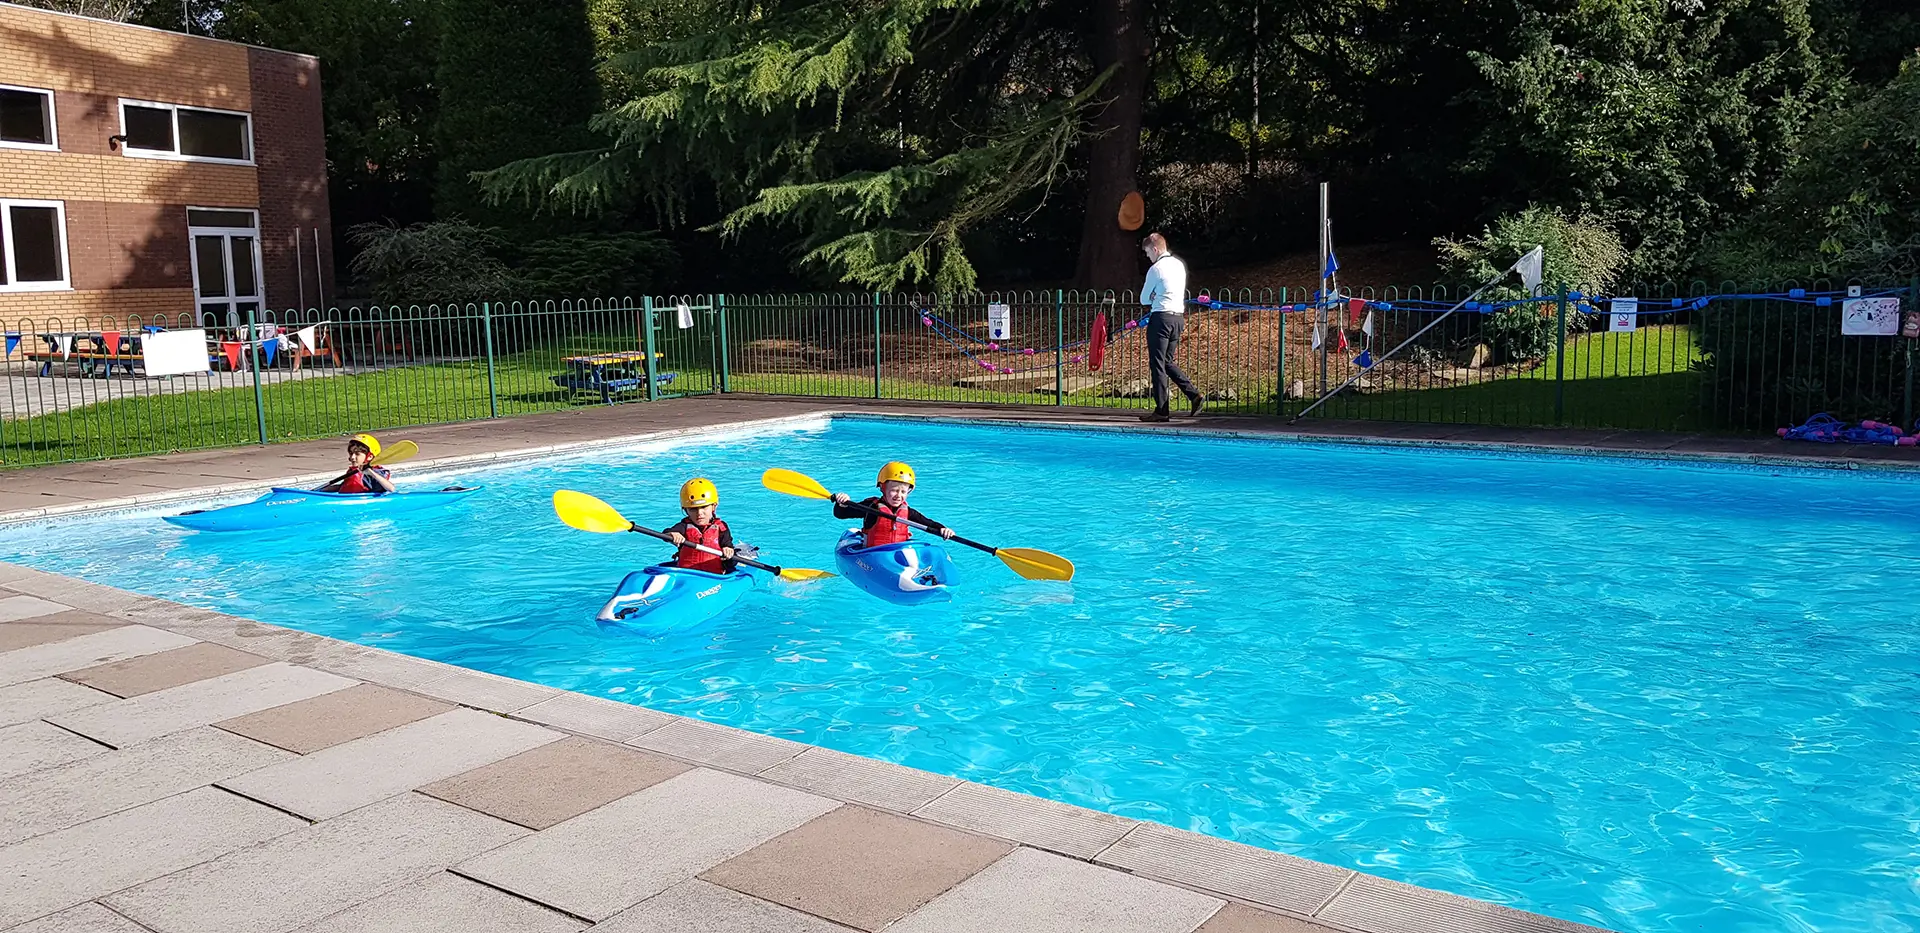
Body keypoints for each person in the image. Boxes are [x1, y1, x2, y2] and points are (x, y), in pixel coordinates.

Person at [1138, 232, 1204, 422]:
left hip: (1161, 318)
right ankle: (1193, 394)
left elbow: (1144, 299)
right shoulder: (1178, 265)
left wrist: (1153, 297)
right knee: (1167, 362)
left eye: (1148, 253)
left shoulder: (1156, 269)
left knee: (1157, 363)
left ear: (1155, 249)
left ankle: (1162, 410)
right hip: (1177, 318)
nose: (1148, 257)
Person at [831, 461, 957, 546]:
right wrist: (842, 503)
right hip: (872, 553)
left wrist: (944, 529)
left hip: (896, 553)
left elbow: (928, 523)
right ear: (882, 488)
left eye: (903, 491)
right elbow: (841, 514)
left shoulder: (909, 512)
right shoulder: (871, 507)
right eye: (894, 490)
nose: (899, 495)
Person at [664, 478, 743, 573]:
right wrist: (672, 534)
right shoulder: (684, 526)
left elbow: (728, 548)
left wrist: (728, 552)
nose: (699, 513)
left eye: (704, 507)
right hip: (686, 574)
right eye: (693, 509)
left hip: (713, 576)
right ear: (686, 510)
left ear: (714, 506)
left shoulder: (721, 527)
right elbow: (666, 535)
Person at [320, 434, 396, 495]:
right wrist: (319, 491)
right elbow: (343, 487)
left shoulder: (376, 472)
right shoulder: (354, 471)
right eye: (351, 453)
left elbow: (391, 489)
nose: (352, 457)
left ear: (369, 456)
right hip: (348, 501)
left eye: (357, 454)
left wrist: (371, 473)